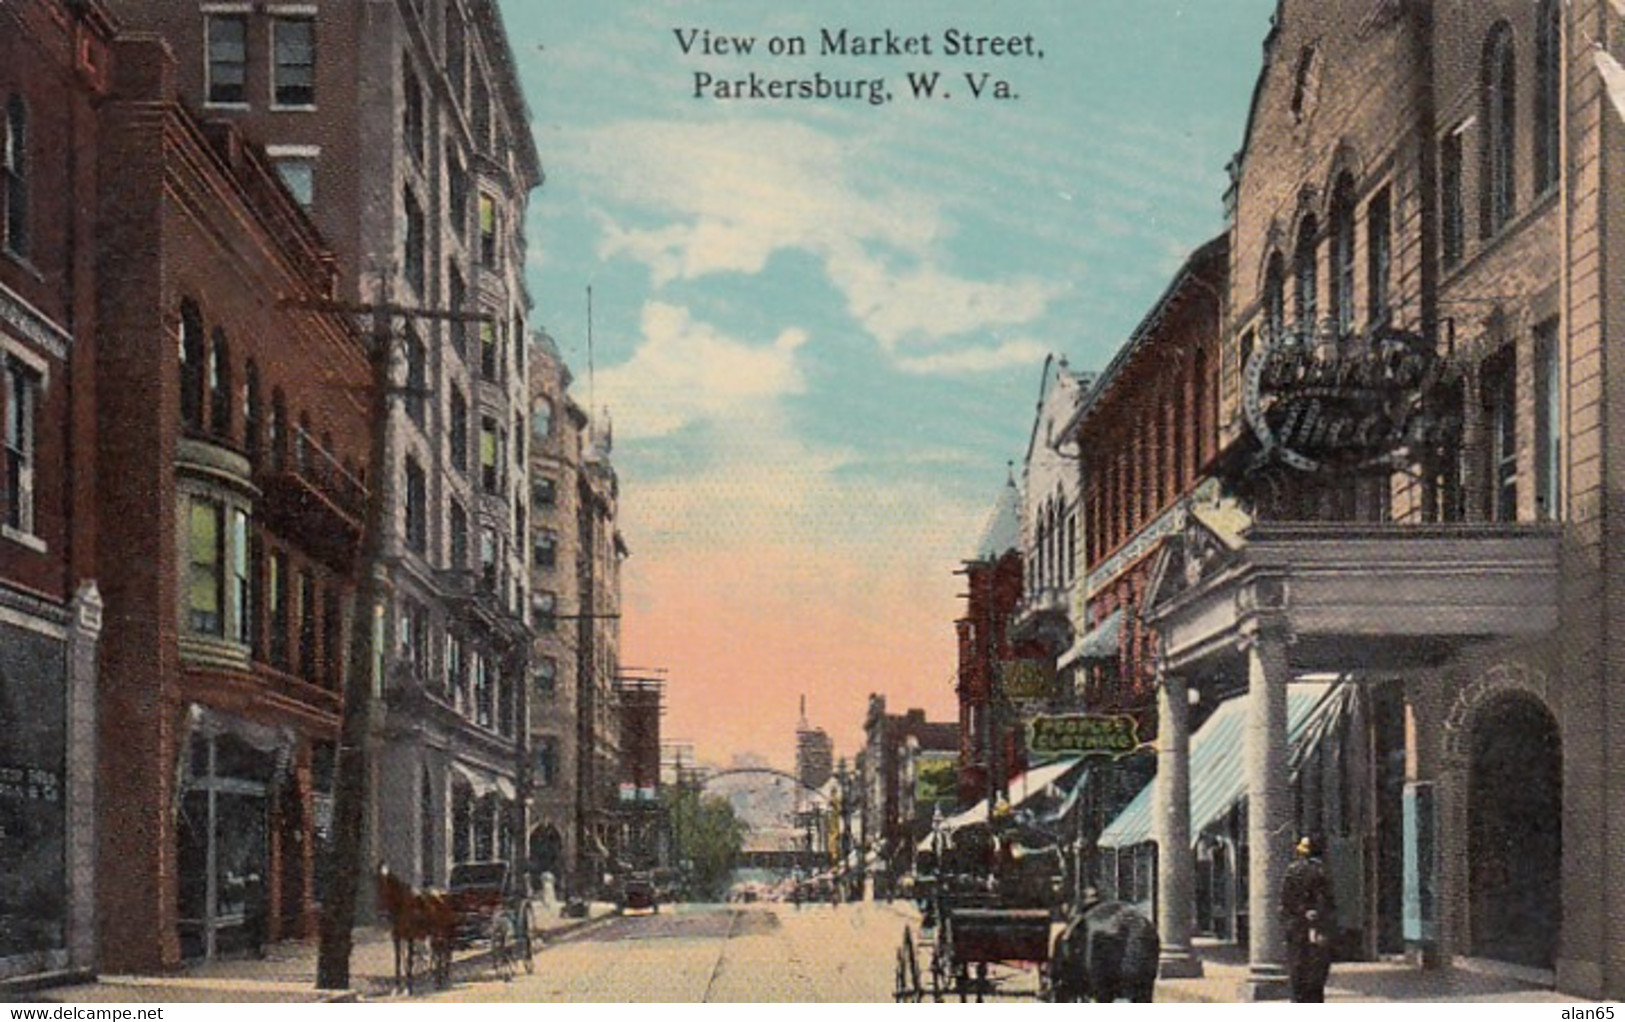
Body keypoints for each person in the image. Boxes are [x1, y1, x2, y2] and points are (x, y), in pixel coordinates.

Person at [1280, 835, 1335, 1002]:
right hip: (1317, 928)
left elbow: (1285, 901)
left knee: (1297, 967)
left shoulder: (1291, 870)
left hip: (1296, 926)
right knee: (1316, 971)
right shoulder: (1322, 872)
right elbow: (1327, 902)